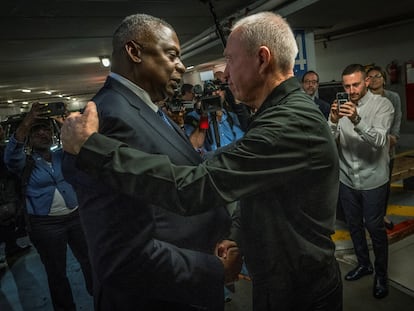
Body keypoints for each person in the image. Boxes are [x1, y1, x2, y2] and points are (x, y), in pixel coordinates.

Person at [61, 12, 343, 311]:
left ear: (262, 60)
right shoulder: (274, 112)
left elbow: (195, 185)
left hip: (300, 290)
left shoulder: (289, 122)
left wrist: (92, 149)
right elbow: (255, 189)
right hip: (266, 282)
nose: (224, 73)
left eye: (230, 60)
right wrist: (234, 236)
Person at [61, 13, 240, 311]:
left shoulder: (143, 109)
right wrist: (213, 270)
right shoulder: (109, 118)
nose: (181, 66)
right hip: (159, 298)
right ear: (134, 52)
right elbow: (121, 254)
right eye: (172, 54)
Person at [3, 103, 93, 311]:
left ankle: (99, 296)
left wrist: (67, 125)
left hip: (76, 217)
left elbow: (86, 151)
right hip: (46, 225)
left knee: (89, 261)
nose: (43, 134)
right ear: (29, 138)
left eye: (45, 129)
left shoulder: (63, 154)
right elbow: (12, 152)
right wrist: (28, 122)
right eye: (37, 131)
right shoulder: (24, 163)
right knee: (56, 272)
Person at [328, 64, 394, 299]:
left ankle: (381, 274)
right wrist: (334, 121)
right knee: (354, 224)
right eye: (347, 86)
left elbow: (378, 140)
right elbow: (330, 139)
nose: (351, 90)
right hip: (347, 179)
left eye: (356, 84)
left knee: (375, 228)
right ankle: (364, 264)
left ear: (366, 81)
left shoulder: (382, 105)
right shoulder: (339, 106)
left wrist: (356, 119)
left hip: (373, 179)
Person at [367, 65, 402, 230]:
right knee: (368, 185)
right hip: (367, 148)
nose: (374, 79)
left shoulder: (393, 97)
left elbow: (397, 118)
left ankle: (382, 214)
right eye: (371, 76)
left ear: (384, 79)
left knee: (384, 184)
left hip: (388, 147)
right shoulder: (363, 98)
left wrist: (394, 136)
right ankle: (369, 216)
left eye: (378, 76)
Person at [0, 124, 31, 269]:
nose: (2, 131)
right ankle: (11, 248)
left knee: (9, 221)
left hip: (7, 189)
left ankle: (11, 247)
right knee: (7, 219)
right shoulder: (3, 150)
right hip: (5, 190)